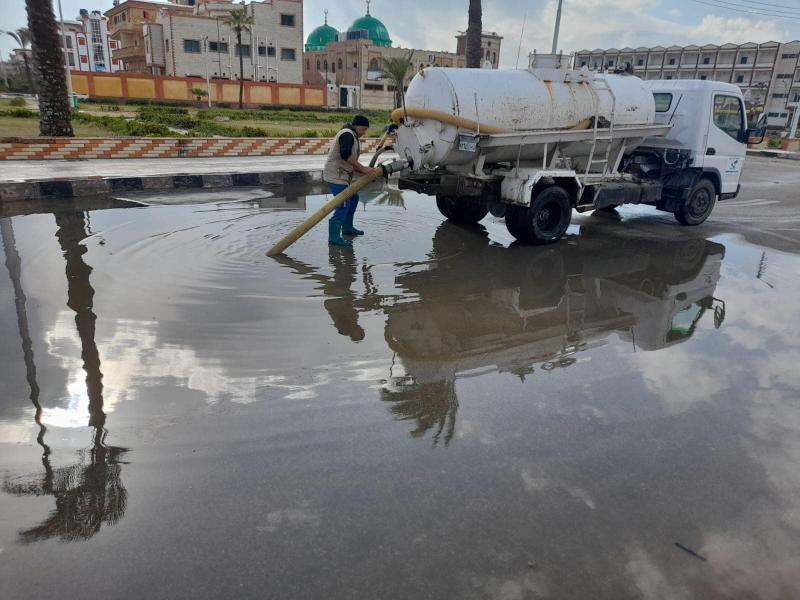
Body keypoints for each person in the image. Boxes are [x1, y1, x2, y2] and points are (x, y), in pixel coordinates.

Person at [322, 115, 380, 247]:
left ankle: (347, 228)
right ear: (356, 125)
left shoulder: (352, 135)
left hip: (342, 175)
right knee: (342, 204)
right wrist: (363, 168)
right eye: (363, 129)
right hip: (335, 176)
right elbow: (346, 155)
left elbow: (350, 161)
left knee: (353, 199)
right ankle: (334, 238)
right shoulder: (347, 135)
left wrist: (366, 170)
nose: (364, 132)